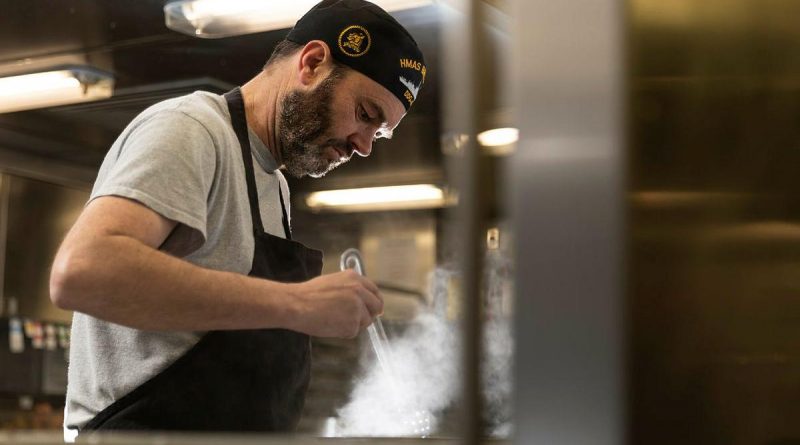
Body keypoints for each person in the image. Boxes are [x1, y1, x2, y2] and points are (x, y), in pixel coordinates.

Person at [49, 0, 426, 440]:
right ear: (313, 63)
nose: (365, 146)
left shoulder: (275, 185)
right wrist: (298, 304)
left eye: (379, 133)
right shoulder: (192, 130)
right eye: (366, 114)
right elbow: (83, 272)